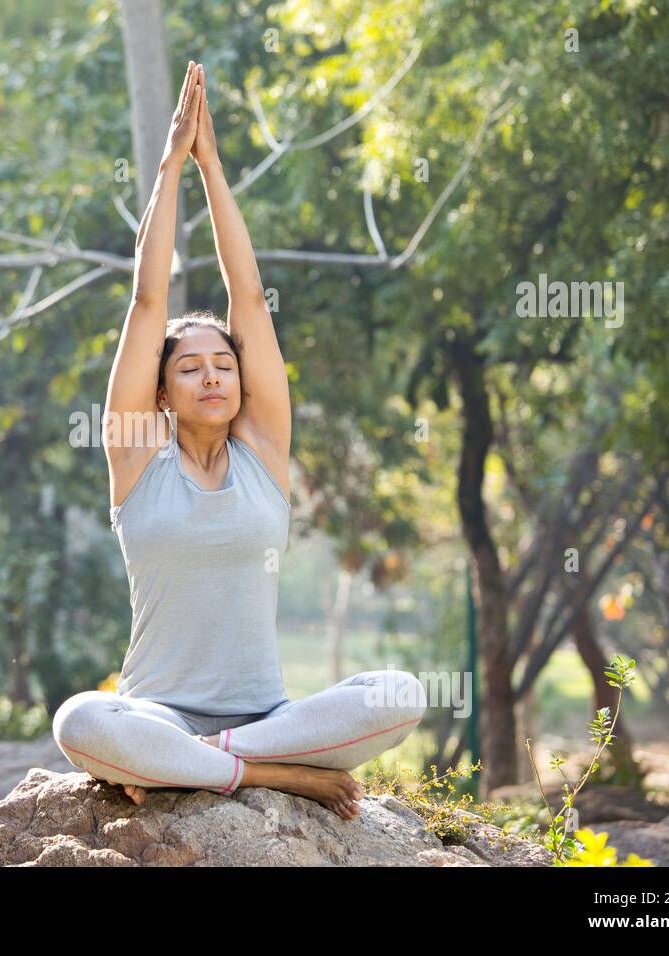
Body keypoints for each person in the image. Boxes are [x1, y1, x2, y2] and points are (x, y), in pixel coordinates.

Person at [52, 62, 426, 819]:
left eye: (224, 364)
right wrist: (169, 166)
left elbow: (247, 295)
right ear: (161, 393)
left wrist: (214, 168)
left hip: (268, 720)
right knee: (81, 720)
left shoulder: (265, 451)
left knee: (401, 694)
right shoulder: (134, 455)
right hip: (158, 714)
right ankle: (265, 777)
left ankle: (207, 767)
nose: (212, 376)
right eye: (188, 367)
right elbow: (146, 297)